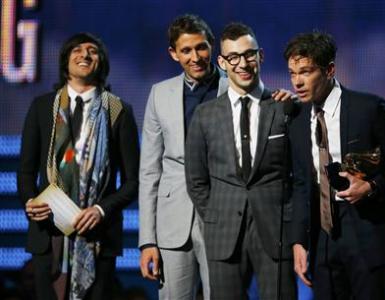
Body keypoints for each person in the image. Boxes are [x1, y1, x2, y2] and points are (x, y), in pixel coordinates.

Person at [138, 15, 293, 300]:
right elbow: (149, 170)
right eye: (186, 50)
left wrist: (282, 99)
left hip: (228, 212)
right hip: (175, 220)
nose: (195, 57)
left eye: (201, 48)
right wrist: (147, 240)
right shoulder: (159, 94)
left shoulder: (235, 82)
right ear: (174, 54)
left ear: (213, 50)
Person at [285, 31, 385, 299]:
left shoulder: (369, 108)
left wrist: (370, 186)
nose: (297, 81)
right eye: (292, 73)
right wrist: (299, 241)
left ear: (329, 69)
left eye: (306, 72)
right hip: (322, 239)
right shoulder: (297, 120)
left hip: (368, 234)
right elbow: (300, 185)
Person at [17, 32, 139, 300]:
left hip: (98, 236)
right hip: (47, 233)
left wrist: (100, 209)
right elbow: (25, 170)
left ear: (101, 62)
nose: (84, 55)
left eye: (92, 51)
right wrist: (29, 200)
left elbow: (133, 181)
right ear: (65, 61)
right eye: (77, 50)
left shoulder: (118, 110)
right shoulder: (42, 107)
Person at [185, 22, 297, 299]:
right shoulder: (205, 114)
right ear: (222, 62)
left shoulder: (285, 107)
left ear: (260, 56)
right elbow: (196, 179)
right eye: (233, 57)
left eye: (249, 54)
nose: (243, 63)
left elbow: (300, 173)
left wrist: (290, 217)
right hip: (223, 232)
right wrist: (215, 215)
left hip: (276, 229)